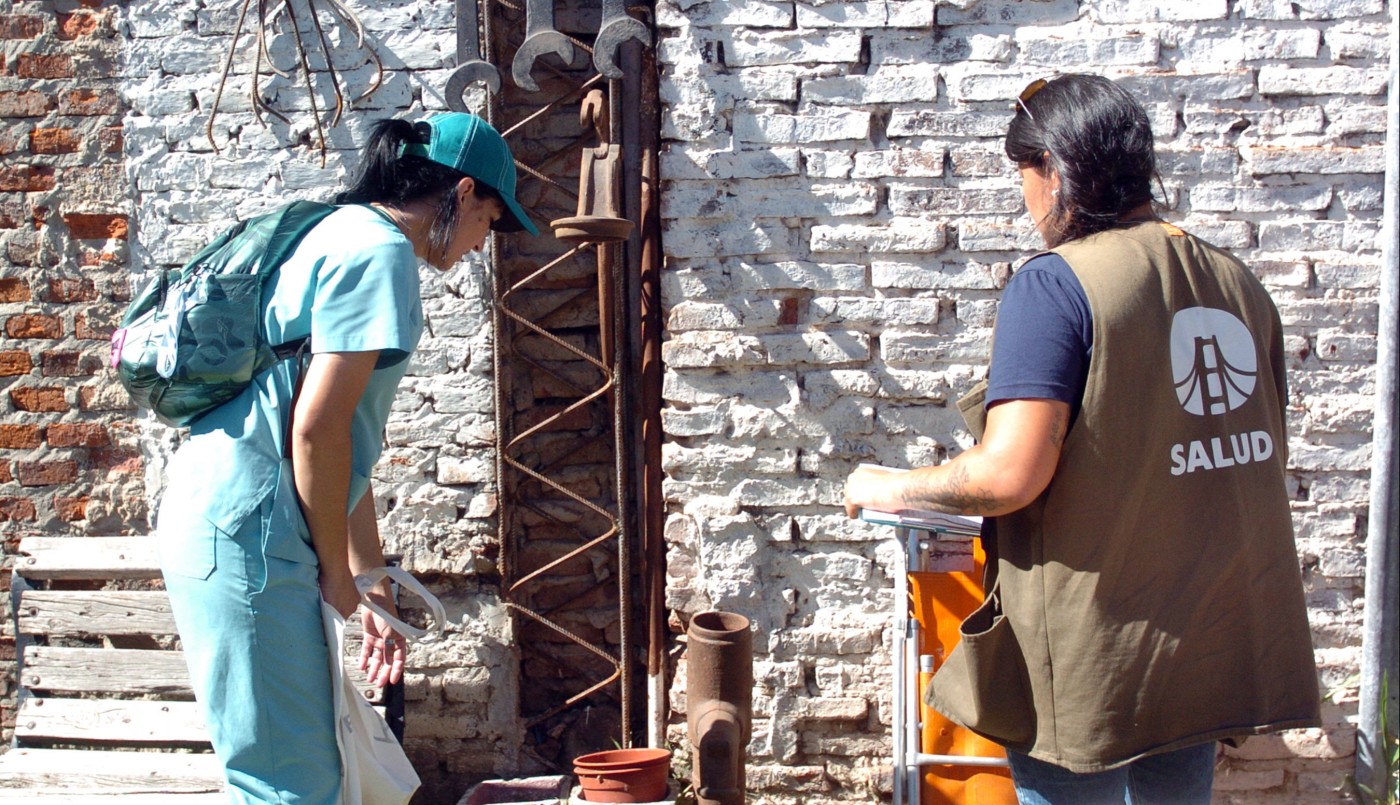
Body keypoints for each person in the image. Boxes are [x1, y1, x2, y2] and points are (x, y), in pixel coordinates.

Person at [843, 74, 1320, 803]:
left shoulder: (1056, 285)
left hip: (1093, 649)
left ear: (1055, 169)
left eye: (1024, 176)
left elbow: (1009, 474)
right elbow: (1252, 451)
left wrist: (891, 486)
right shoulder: (1235, 280)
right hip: (1208, 638)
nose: (1026, 203)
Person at [156, 112, 538, 803]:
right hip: (251, 537)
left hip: (224, 521)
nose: (483, 243)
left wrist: (369, 581)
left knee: (298, 771)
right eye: (488, 219)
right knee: (291, 785)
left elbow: (342, 448)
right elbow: (315, 432)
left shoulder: (336, 230)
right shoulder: (380, 255)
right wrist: (338, 576)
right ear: (460, 192)